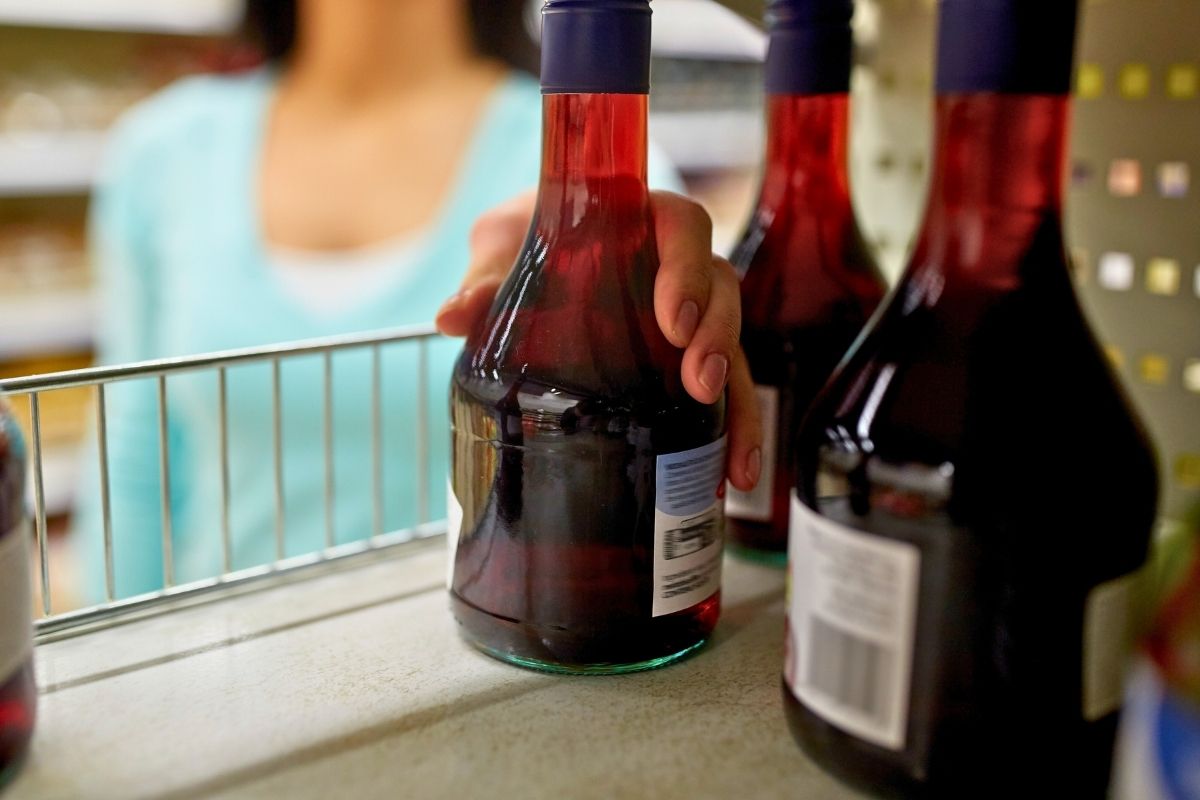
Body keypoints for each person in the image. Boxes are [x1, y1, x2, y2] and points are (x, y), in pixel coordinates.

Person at [72, 0, 760, 601]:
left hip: (464, 691)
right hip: (217, 675)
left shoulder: (584, 151)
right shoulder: (161, 152)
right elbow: (131, 456)